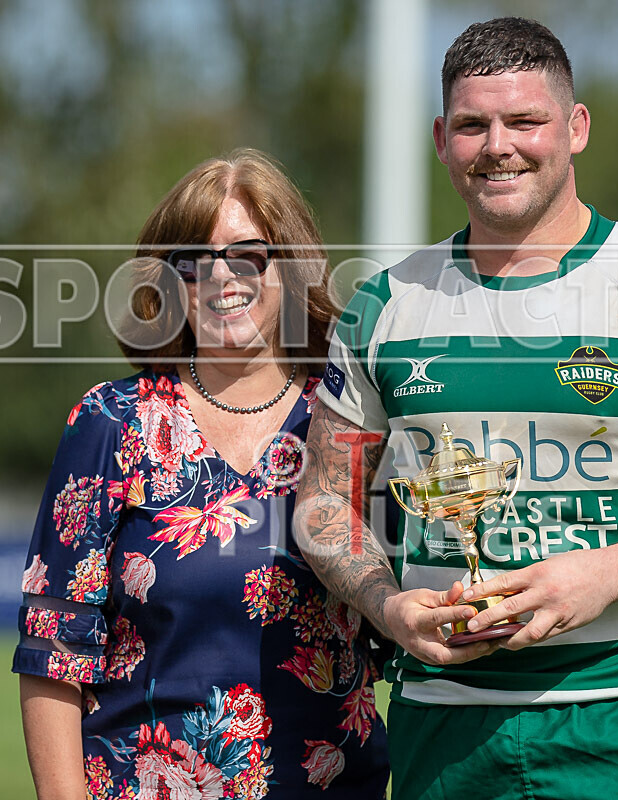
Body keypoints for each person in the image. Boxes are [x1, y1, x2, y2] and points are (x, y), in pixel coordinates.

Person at [294, 17, 618, 800]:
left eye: (525, 120)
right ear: (441, 137)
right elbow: (324, 500)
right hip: (440, 724)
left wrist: (600, 576)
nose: (499, 145)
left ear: (576, 127)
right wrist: (387, 606)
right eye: (472, 125)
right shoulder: (381, 307)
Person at [13, 148, 389, 800]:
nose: (220, 276)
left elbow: (400, 629)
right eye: (192, 259)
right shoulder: (111, 422)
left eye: (247, 253)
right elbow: (53, 652)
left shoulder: (348, 421)